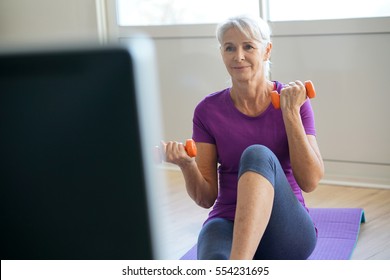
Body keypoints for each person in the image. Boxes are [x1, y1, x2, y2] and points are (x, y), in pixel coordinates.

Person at [163, 15, 324, 260]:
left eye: (248, 46)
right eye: (230, 48)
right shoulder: (207, 111)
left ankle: (239, 266)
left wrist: (289, 112)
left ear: (266, 50)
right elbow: (206, 198)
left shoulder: (295, 101)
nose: (238, 56)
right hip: (227, 220)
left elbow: (310, 181)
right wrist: (186, 165)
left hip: (286, 229)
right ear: (222, 53)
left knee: (256, 154)